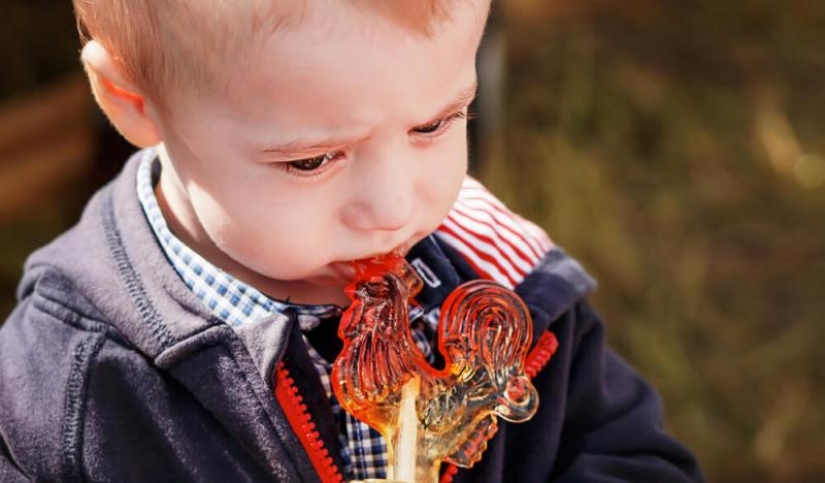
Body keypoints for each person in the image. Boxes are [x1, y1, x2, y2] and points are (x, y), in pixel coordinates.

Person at [0, 1, 704, 481]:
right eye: (312, 160)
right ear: (134, 101)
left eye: (434, 124)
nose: (393, 209)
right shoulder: (70, 380)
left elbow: (627, 452)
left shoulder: (499, 279)